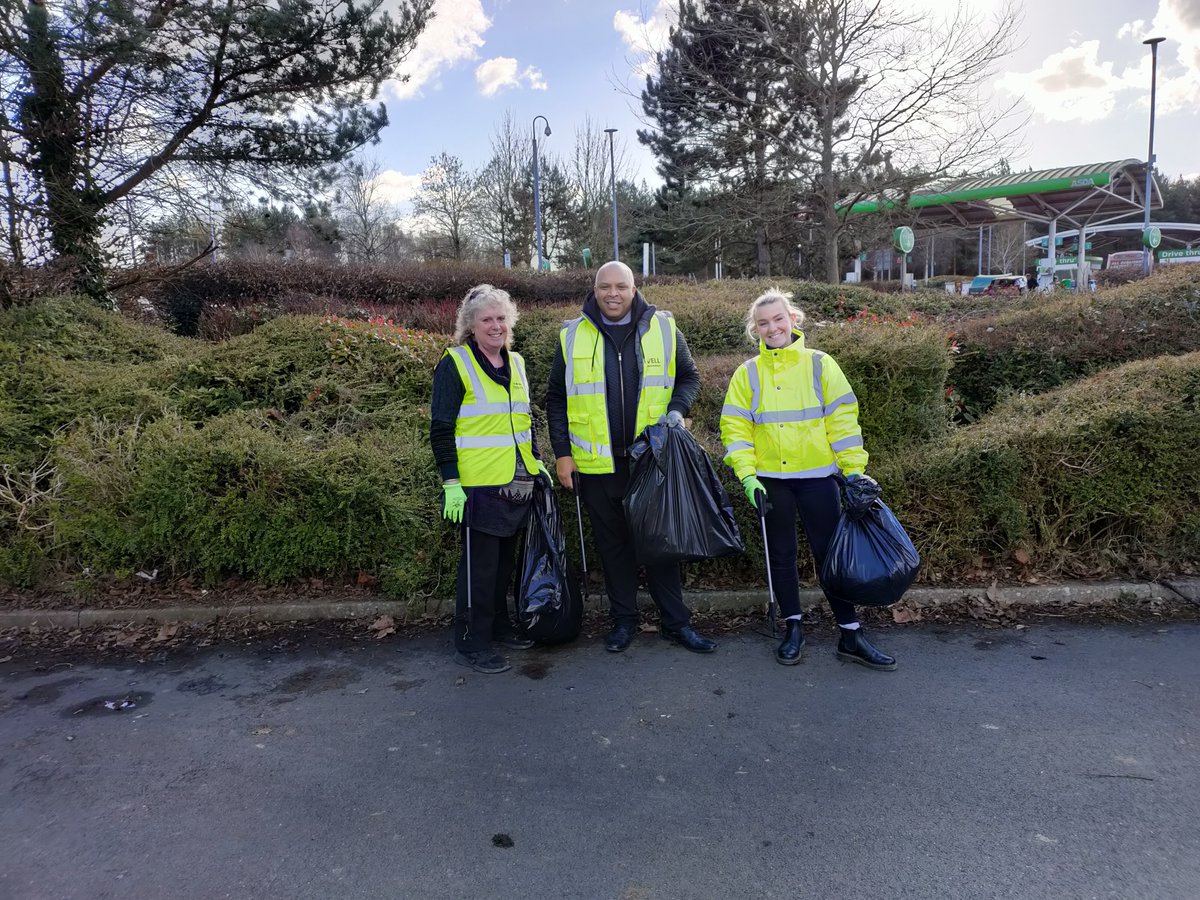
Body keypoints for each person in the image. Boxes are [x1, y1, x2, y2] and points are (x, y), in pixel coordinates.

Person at [719, 288, 896, 670]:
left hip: (818, 479)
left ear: (793, 320)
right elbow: (735, 430)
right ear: (756, 329)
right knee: (780, 558)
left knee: (831, 557)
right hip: (770, 481)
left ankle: (850, 633)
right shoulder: (746, 374)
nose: (772, 327)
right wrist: (747, 477)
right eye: (763, 323)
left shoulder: (820, 364)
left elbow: (843, 421)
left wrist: (854, 472)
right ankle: (792, 628)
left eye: (778, 319)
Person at [546, 260, 717, 654]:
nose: (613, 294)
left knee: (661, 547)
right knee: (614, 548)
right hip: (597, 466)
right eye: (604, 286)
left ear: (634, 287)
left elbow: (689, 376)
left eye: (620, 286)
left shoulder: (664, 327)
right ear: (594, 288)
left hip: (650, 461)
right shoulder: (572, 334)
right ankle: (624, 622)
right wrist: (562, 454)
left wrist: (677, 411)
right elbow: (556, 397)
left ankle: (676, 623)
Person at [430, 284, 553, 675]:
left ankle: (498, 626)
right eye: (487, 319)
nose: (496, 326)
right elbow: (441, 428)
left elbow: (524, 418)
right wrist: (451, 482)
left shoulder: (515, 363)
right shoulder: (456, 363)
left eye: (502, 318)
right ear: (470, 325)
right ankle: (471, 641)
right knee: (479, 570)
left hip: (515, 483)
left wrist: (535, 459)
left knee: (503, 565)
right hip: (477, 486)